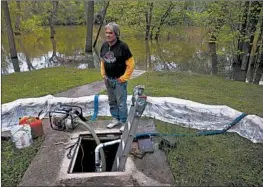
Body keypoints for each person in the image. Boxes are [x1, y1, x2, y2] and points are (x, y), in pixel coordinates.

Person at [100, 22, 135, 131]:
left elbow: (131, 64)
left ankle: (124, 122)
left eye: (110, 33)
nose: (108, 35)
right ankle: (115, 119)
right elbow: (102, 61)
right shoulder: (104, 45)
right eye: (106, 33)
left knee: (121, 103)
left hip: (119, 80)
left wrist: (124, 78)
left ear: (116, 34)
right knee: (112, 101)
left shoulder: (123, 46)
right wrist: (103, 75)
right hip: (108, 79)